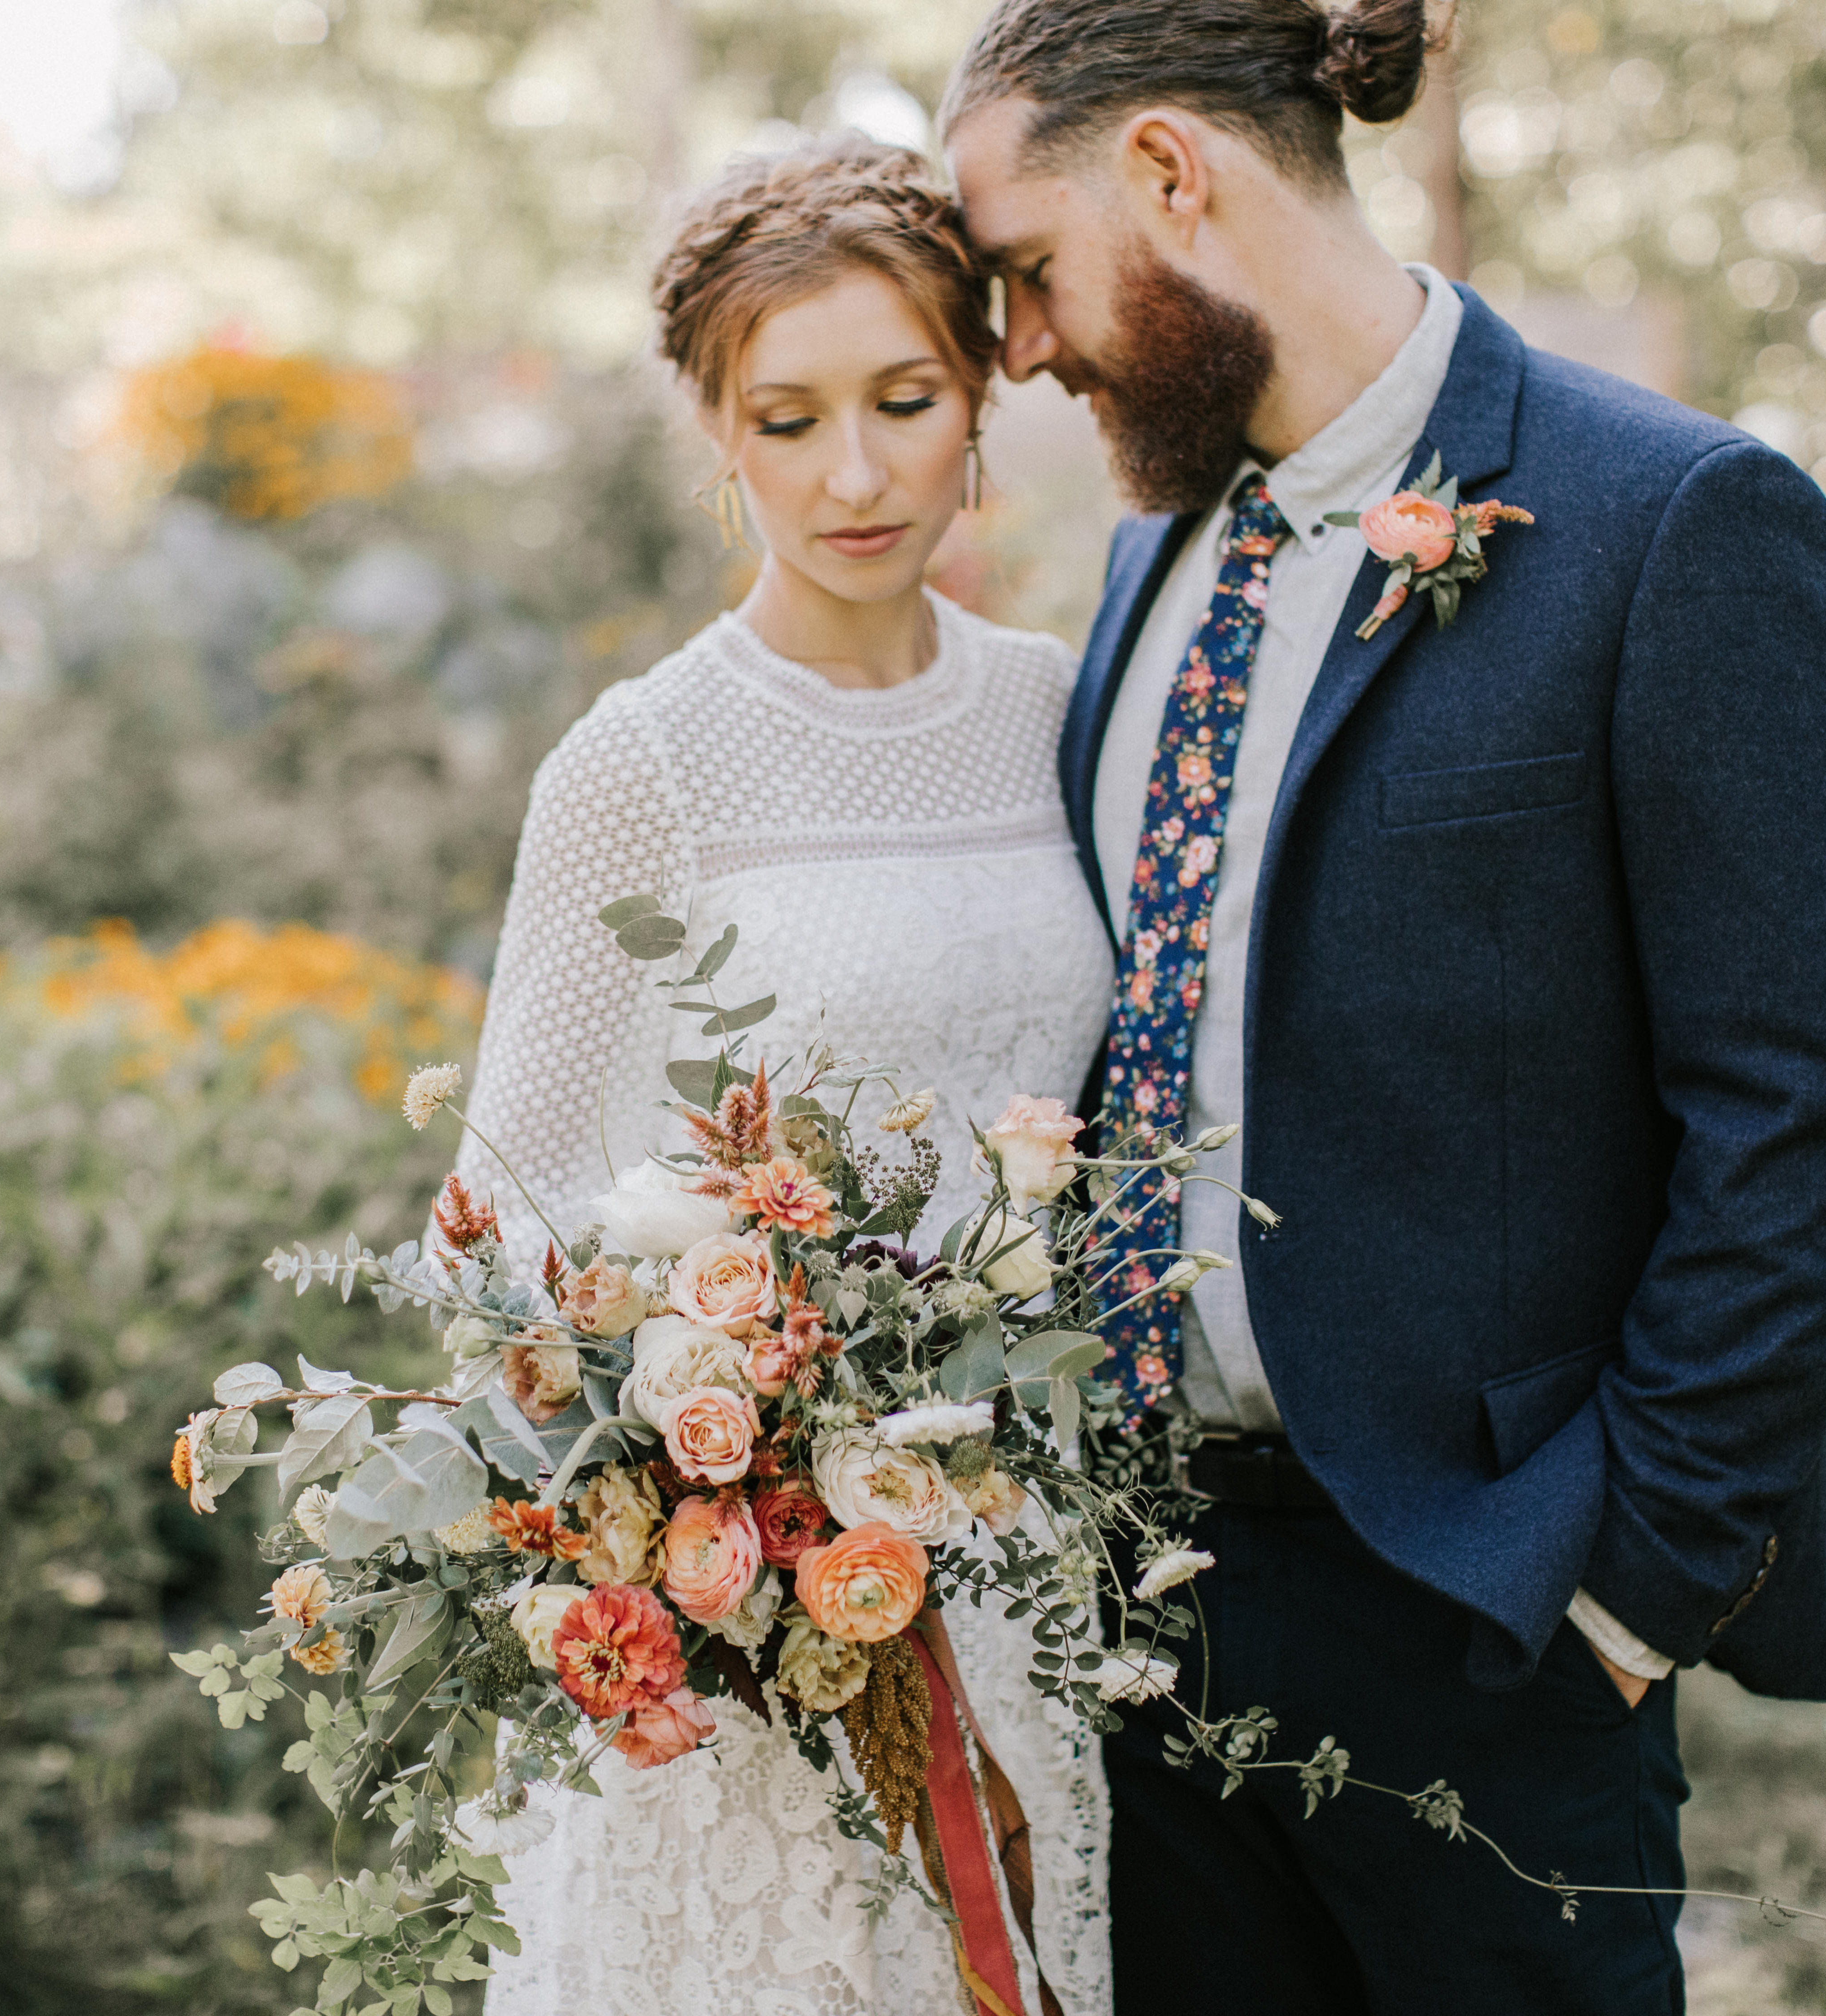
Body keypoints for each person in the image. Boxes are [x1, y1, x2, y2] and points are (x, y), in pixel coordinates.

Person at [936, 1, 1826, 2009]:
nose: (1016, 347)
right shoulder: (1152, 561)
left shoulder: (1677, 522)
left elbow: (1799, 1111)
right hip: (1148, 1631)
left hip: (1490, 1621)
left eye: (1027, 272)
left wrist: (1629, 1585)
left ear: (1172, 176)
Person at [457, 135, 1115, 2016]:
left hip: (1036, 1571)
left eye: (905, 402)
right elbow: (500, 1222)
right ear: (716, 432)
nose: (854, 474)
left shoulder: (1055, 711)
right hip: (762, 1614)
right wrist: (714, 1429)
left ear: (979, 393)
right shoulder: (641, 765)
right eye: (791, 415)